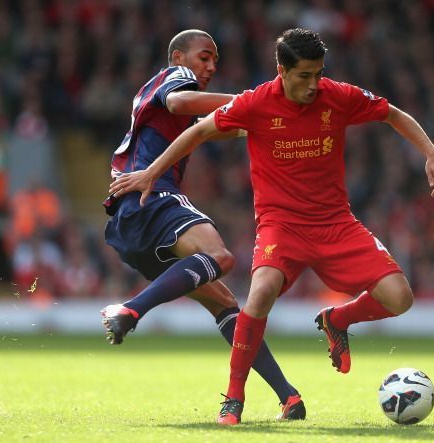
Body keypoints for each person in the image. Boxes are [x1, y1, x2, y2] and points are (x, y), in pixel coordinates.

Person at [109, 28, 434, 425]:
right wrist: (152, 171)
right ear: (281, 71)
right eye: (304, 75)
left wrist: (431, 152)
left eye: (318, 74)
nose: (313, 84)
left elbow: (392, 114)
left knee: (400, 298)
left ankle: (337, 319)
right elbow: (198, 130)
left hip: (336, 222)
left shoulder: (337, 96)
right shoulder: (254, 103)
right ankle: (233, 399)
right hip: (280, 226)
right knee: (259, 295)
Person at [100, 29, 305, 421]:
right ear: (178, 57)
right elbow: (180, 101)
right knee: (219, 256)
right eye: (203, 58)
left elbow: (236, 127)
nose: (210, 67)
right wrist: (256, 103)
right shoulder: (173, 78)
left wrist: (277, 122)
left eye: (214, 61)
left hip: (130, 219)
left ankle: (289, 398)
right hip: (151, 194)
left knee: (225, 303)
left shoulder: (178, 108)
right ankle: (130, 309)